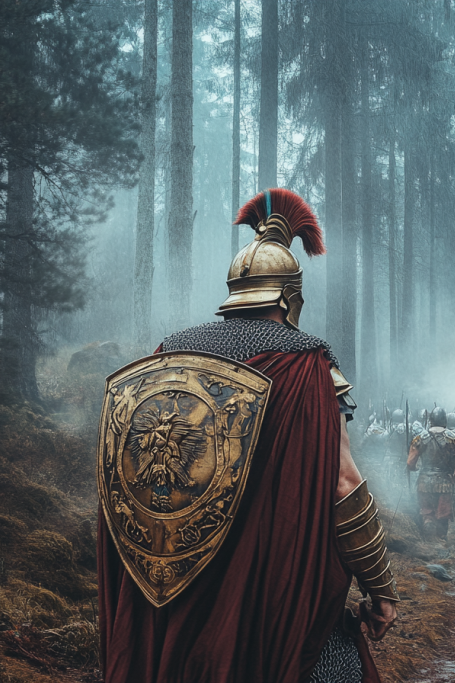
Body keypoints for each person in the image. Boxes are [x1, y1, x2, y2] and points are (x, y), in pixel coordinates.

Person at [98, 189, 398, 683]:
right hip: (264, 585)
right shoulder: (307, 364)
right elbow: (343, 484)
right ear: (290, 295)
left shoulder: (168, 354)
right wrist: (380, 586)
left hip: (179, 588)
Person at [407, 407, 455, 542]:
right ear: (445, 420)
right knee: (443, 516)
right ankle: (441, 544)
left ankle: (428, 542)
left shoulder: (420, 438)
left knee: (427, 514)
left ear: (430, 421)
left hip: (424, 482)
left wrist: (416, 470)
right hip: (445, 483)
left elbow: (410, 463)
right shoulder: (454, 439)